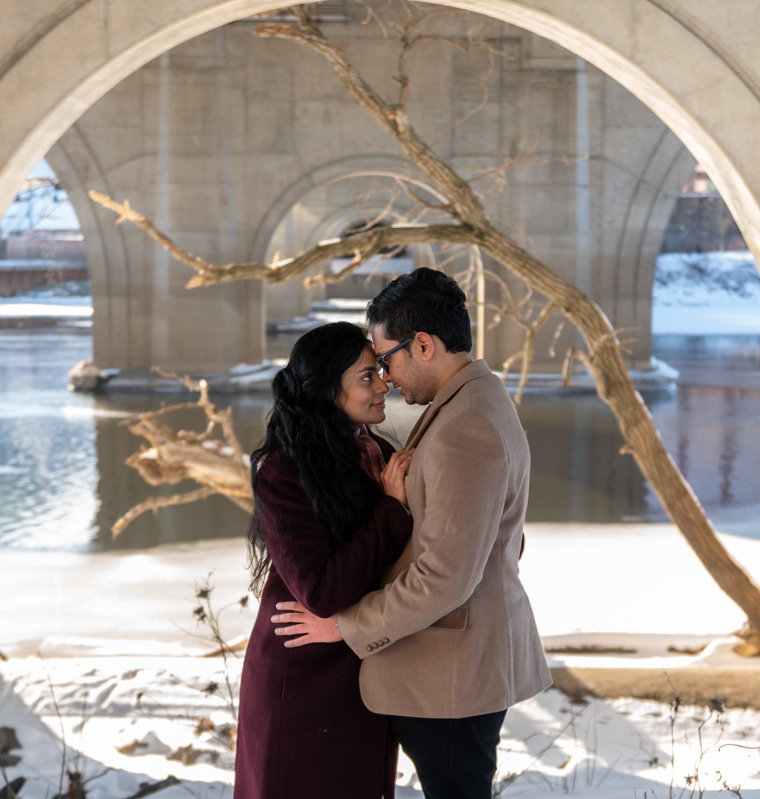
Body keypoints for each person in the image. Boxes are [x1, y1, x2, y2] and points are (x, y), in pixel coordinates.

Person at [272, 268, 552, 798]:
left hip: (449, 679)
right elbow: (502, 541)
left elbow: (444, 578)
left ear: (422, 344)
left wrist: (345, 628)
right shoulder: (477, 400)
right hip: (458, 669)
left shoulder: (464, 425)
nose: (386, 377)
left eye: (386, 359)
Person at [234, 321, 417, 799]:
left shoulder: (377, 451)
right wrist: (392, 509)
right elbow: (321, 591)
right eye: (365, 377)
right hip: (303, 679)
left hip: (360, 672)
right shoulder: (284, 469)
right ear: (326, 388)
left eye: (379, 370)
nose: (383, 384)